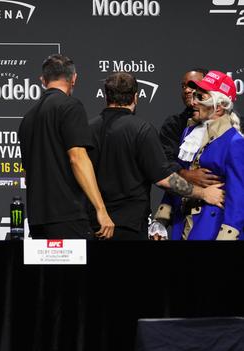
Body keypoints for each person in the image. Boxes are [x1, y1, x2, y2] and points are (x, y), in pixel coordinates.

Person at [89, 72, 224, 240]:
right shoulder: (141, 129)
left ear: (106, 96)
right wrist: (203, 194)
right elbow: (164, 179)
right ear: (136, 97)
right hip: (130, 226)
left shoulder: (89, 129)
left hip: (94, 223)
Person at [17, 54, 114, 240]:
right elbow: (77, 157)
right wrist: (101, 209)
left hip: (38, 221)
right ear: (74, 78)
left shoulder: (27, 119)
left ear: (43, 80)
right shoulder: (70, 106)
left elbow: (28, 176)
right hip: (68, 217)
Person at [152, 71, 243, 240]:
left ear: (220, 104)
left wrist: (227, 236)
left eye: (201, 97)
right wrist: (161, 218)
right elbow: (179, 180)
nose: (193, 102)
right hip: (182, 225)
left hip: (212, 228)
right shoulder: (189, 132)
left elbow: (238, 199)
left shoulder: (234, 142)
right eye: (194, 96)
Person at [159, 68, 222, 187]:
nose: (187, 90)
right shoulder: (175, 124)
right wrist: (186, 174)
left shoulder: (234, 128)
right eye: (183, 87)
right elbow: (165, 160)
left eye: (193, 86)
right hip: (182, 194)